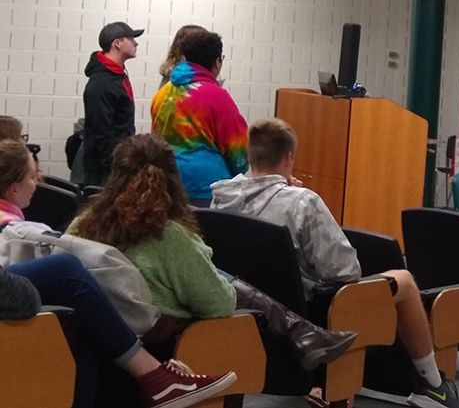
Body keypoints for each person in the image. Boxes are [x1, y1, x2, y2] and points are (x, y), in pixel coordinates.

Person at [211, 118, 459, 408]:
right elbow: (345, 271)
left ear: (250, 155)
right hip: (313, 317)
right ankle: (432, 385)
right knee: (405, 282)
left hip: (252, 312)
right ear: (288, 158)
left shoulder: (221, 198)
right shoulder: (302, 202)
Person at [69, 134, 357, 372]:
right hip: (164, 349)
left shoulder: (84, 222)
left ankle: (302, 331)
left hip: (92, 346)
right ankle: (301, 332)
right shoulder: (168, 235)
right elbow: (217, 304)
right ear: (172, 179)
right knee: (232, 309)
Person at [0, 139, 237, 408]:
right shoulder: (173, 237)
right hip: (159, 345)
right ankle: (159, 378)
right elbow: (218, 304)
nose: (38, 181)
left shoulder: (83, 222)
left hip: (87, 349)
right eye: (33, 176)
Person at [151, 31, 247, 204]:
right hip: (206, 191)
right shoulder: (217, 96)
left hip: (167, 185)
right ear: (217, 62)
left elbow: (155, 141)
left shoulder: (162, 94)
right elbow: (239, 152)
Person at [82, 21, 144, 186]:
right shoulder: (100, 84)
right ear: (117, 43)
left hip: (119, 164)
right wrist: (115, 170)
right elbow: (101, 133)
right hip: (105, 170)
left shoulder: (117, 76)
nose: (136, 43)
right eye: (131, 39)